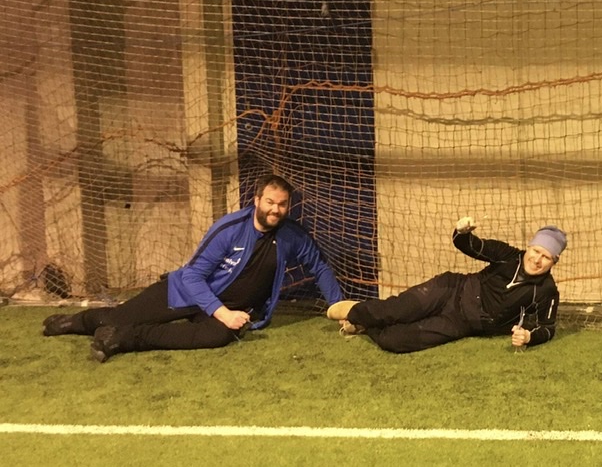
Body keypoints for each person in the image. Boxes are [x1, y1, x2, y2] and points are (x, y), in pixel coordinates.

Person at [42, 175, 347, 362]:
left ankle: (122, 339)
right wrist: (222, 311)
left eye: (282, 204)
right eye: (270, 202)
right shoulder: (229, 229)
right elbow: (192, 276)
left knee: (218, 335)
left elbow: (319, 266)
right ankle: (73, 322)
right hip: (187, 292)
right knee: (114, 317)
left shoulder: (293, 236)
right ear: (257, 200)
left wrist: (339, 308)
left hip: (226, 310)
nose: (275, 210)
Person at [326, 217, 564, 354]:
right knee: (395, 310)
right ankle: (355, 310)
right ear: (529, 247)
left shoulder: (547, 291)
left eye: (546, 257)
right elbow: (470, 245)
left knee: (394, 342)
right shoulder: (508, 255)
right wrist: (461, 232)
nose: (537, 259)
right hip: (449, 290)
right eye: (536, 251)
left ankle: (365, 324)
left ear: (554, 261)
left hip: (461, 323)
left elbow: (547, 328)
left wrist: (528, 337)